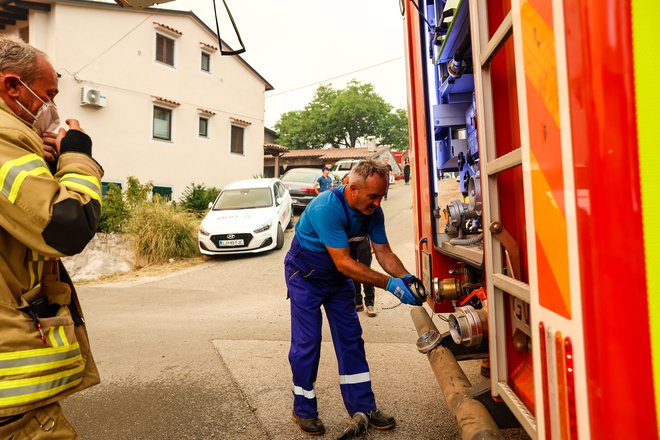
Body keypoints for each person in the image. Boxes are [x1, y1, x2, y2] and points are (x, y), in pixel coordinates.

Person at [0, 35, 103, 438]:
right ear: (12, 86)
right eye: (48, 94)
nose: (53, 107)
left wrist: (44, 165)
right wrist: (77, 153)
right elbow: (68, 225)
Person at [285, 159, 425, 436]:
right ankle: (303, 409)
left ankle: (364, 407)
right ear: (351, 189)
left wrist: (407, 279)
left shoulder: (373, 212)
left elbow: (383, 252)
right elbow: (344, 263)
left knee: (351, 338)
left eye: (381, 196)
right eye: (372, 196)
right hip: (305, 278)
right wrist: (390, 285)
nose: (377, 203)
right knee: (307, 342)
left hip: (337, 281)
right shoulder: (327, 208)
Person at [341, 174, 377, 317]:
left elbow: (374, 225)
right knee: (353, 272)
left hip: (363, 241)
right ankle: (357, 301)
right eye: (346, 183)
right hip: (348, 244)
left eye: (350, 183)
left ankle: (370, 303)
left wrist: (373, 243)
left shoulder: (365, 202)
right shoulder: (339, 203)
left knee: (366, 272)